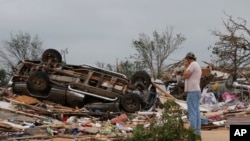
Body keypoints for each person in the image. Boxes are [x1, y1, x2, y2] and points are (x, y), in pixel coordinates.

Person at [183, 52, 202, 136]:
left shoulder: (192, 64)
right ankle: (197, 132)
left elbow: (185, 75)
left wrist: (186, 67)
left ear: (188, 59)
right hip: (196, 91)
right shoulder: (197, 65)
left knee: (192, 113)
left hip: (192, 92)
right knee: (196, 112)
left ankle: (193, 132)